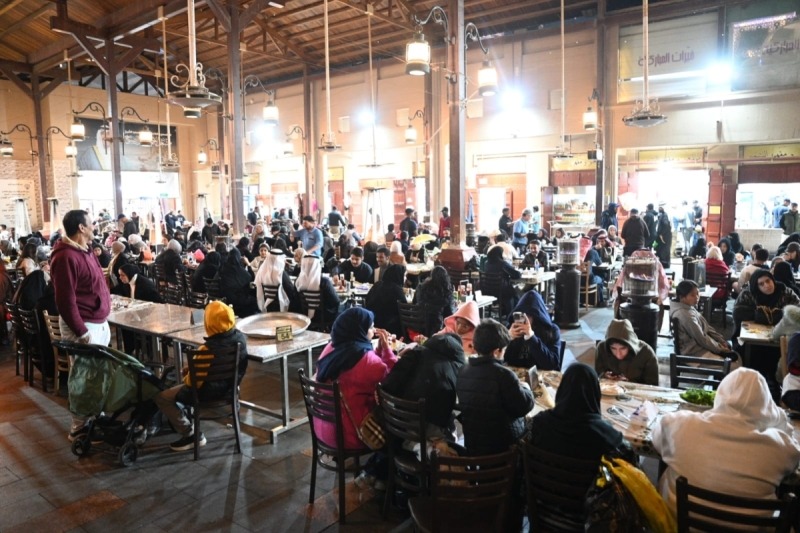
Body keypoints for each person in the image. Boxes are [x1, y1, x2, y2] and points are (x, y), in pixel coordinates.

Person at [652, 368, 800, 516]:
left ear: (720, 394)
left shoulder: (681, 425)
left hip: (677, 521)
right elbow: (793, 449)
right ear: (766, 407)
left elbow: (656, 437)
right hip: (752, 526)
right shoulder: (779, 448)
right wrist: (776, 415)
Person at [50, 209, 112, 441]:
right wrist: (82, 332)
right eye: (91, 223)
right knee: (84, 376)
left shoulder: (85, 250)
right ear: (81, 228)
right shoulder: (65, 256)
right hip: (84, 325)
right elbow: (65, 301)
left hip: (97, 321)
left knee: (98, 375)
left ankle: (96, 416)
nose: (94, 226)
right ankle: (79, 427)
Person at [155, 301, 249, 451]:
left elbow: (192, 383)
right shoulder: (240, 340)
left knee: (163, 397)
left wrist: (187, 374)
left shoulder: (206, 350)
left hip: (206, 393)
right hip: (230, 389)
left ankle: (191, 435)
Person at [314, 308, 396, 451]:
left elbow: (366, 370)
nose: (374, 330)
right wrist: (387, 350)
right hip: (351, 435)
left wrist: (377, 350)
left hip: (323, 430)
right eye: (370, 327)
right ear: (359, 330)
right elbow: (391, 378)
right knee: (396, 424)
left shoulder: (331, 347)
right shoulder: (365, 360)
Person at [456, 318, 534, 456]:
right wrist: (526, 388)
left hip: (474, 443)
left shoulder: (463, 371)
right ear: (497, 351)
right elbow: (524, 407)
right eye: (503, 350)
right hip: (504, 448)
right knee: (534, 424)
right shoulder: (504, 375)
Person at [382, 333, 466, 441]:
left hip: (395, 424)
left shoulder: (415, 352)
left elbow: (389, 384)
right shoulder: (457, 368)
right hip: (427, 433)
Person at [733, 270, 800, 396]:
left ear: (772, 280)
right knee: (750, 352)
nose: (766, 285)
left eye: (768, 281)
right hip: (753, 339)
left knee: (780, 352)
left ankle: (775, 384)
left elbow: (796, 312)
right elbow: (738, 313)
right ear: (756, 286)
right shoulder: (748, 293)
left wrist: (768, 315)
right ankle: (753, 384)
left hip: (779, 337)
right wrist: (767, 315)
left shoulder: (786, 292)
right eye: (761, 284)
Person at [670, 280, 739, 364]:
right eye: (692, 295)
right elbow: (701, 338)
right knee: (734, 365)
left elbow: (707, 328)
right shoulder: (684, 314)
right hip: (694, 353)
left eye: (697, 293)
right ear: (682, 297)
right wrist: (720, 349)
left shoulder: (688, 307)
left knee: (734, 357)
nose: (697, 297)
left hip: (701, 347)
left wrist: (721, 341)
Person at [503, 290, 562, 370]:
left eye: (528, 315)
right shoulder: (511, 328)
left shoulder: (552, 330)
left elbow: (552, 364)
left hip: (540, 374)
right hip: (515, 374)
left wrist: (531, 337)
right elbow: (499, 359)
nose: (524, 318)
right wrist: (507, 339)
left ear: (536, 316)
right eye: (521, 315)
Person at [595, 318, 658, 385]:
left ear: (630, 346)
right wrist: (604, 376)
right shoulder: (602, 348)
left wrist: (629, 383)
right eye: (613, 348)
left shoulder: (647, 353)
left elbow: (653, 385)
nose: (618, 355)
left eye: (623, 348)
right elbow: (596, 375)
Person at [364, 263, 406, 338]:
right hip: (388, 327)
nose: (405, 278)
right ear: (398, 275)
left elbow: (367, 300)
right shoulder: (396, 289)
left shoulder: (377, 284)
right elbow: (404, 309)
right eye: (405, 275)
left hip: (372, 323)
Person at [412, 265, 455, 336]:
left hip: (418, 326)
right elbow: (450, 314)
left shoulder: (421, 287)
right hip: (437, 329)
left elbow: (414, 303)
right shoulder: (446, 291)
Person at [295, 255, 339, 325]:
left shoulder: (298, 281)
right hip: (323, 316)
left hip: (303, 315)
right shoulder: (324, 282)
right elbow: (336, 301)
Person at [218, 248, 259, 318]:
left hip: (225, 300)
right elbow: (252, 279)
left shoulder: (223, 268)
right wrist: (248, 265)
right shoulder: (241, 271)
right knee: (254, 300)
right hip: (238, 303)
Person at [484, 245, 522, 317]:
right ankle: (513, 315)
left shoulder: (486, 263)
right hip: (502, 291)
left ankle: (504, 312)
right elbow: (517, 275)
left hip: (488, 290)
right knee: (515, 293)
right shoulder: (502, 264)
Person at [655, 203, 672, 268]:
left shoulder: (664, 215)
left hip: (664, 236)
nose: (659, 208)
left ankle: (664, 264)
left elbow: (665, 224)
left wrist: (661, 234)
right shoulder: (663, 215)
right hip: (663, 235)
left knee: (663, 250)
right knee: (661, 249)